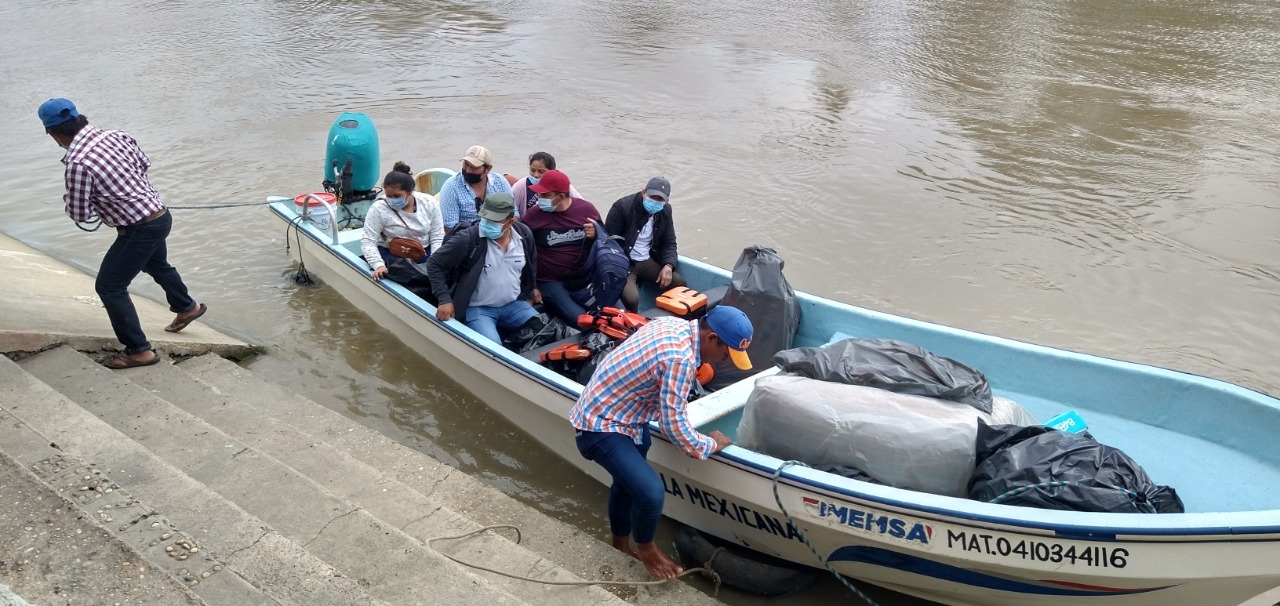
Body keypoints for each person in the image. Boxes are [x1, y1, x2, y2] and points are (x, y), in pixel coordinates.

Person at [568, 305, 754, 579]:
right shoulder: (681, 358)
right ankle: (647, 549)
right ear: (711, 338)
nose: (724, 361)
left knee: (627, 487)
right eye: (726, 353)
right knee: (651, 493)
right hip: (600, 425)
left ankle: (619, 546)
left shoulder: (673, 324)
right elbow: (672, 426)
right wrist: (709, 444)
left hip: (628, 414)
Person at [38, 98, 205, 369]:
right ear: (80, 118)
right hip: (160, 214)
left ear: (53, 133)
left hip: (138, 228)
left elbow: (80, 214)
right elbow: (143, 165)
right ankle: (187, 307)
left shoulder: (77, 163)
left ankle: (139, 351)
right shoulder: (118, 135)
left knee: (109, 287)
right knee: (156, 264)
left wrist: (88, 200)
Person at [425, 193, 541, 344]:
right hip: (478, 308)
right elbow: (434, 263)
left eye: (494, 220)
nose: (487, 223)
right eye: (485, 218)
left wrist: (531, 289)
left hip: (513, 304)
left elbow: (531, 263)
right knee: (494, 348)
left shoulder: (524, 234)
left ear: (510, 221)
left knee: (544, 329)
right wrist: (444, 299)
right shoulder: (467, 239)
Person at [521, 169, 603, 324]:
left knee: (618, 313)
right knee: (582, 321)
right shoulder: (533, 216)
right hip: (550, 281)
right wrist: (531, 287)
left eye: (545, 195)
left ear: (560, 196)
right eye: (539, 194)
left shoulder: (586, 210)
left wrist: (597, 233)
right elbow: (520, 252)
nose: (539, 198)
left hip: (583, 277)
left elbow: (605, 241)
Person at [605, 176, 686, 312]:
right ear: (644, 192)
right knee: (631, 298)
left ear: (667, 201)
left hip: (647, 260)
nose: (655, 202)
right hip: (624, 261)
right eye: (652, 196)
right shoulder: (622, 207)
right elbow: (609, 243)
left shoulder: (665, 211)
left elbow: (669, 242)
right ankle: (633, 326)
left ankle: (667, 319)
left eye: (660, 199)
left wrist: (668, 265)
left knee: (679, 282)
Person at [361, 162, 445, 292]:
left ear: (410, 192)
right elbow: (368, 241)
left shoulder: (429, 203)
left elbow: (437, 235)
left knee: (439, 277)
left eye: (397, 196)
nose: (391, 200)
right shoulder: (378, 208)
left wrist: (435, 261)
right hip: (391, 254)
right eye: (388, 196)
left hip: (421, 252)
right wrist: (378, 265)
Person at [437, 144, 513, 229]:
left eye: (474, 167)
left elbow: (514, 214)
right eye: (466, 164)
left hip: (499, 232)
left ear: (488, 169)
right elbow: (450, 228)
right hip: (465, 237)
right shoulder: (451, 187)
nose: (468, 170)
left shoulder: (500, 182)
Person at [510, 151, 582, 214]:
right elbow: (511, 209)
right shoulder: (520, 186)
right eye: (532, 170)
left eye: (541, 171)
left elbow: (580, 204)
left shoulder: (562, 184)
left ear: (552, 171)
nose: (536, 175)